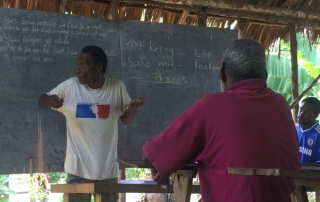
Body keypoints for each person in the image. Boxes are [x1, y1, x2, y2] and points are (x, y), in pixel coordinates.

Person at [143, 39, 300, 202]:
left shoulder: (212, 106)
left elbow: (156, 154)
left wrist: (161, 163)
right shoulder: (280, 105)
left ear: (223, 73)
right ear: (265, 75)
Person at [38, 45, 145, 202]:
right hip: (77, 171)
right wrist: (50, 101)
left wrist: (133, 109)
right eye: (77, 65)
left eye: (83, 64)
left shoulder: (116, 88)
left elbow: (126, 120)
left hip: (107, 171)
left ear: (98, 67)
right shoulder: (70, 87)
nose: (78, 69)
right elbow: (41, 100)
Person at [296, 97, 320, 163]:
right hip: (289, 172)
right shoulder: (292, 129)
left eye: (307, 112)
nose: (301, 114)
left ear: (315, 115)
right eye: (301, 109)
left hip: (309, 173)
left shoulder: (318, 134)